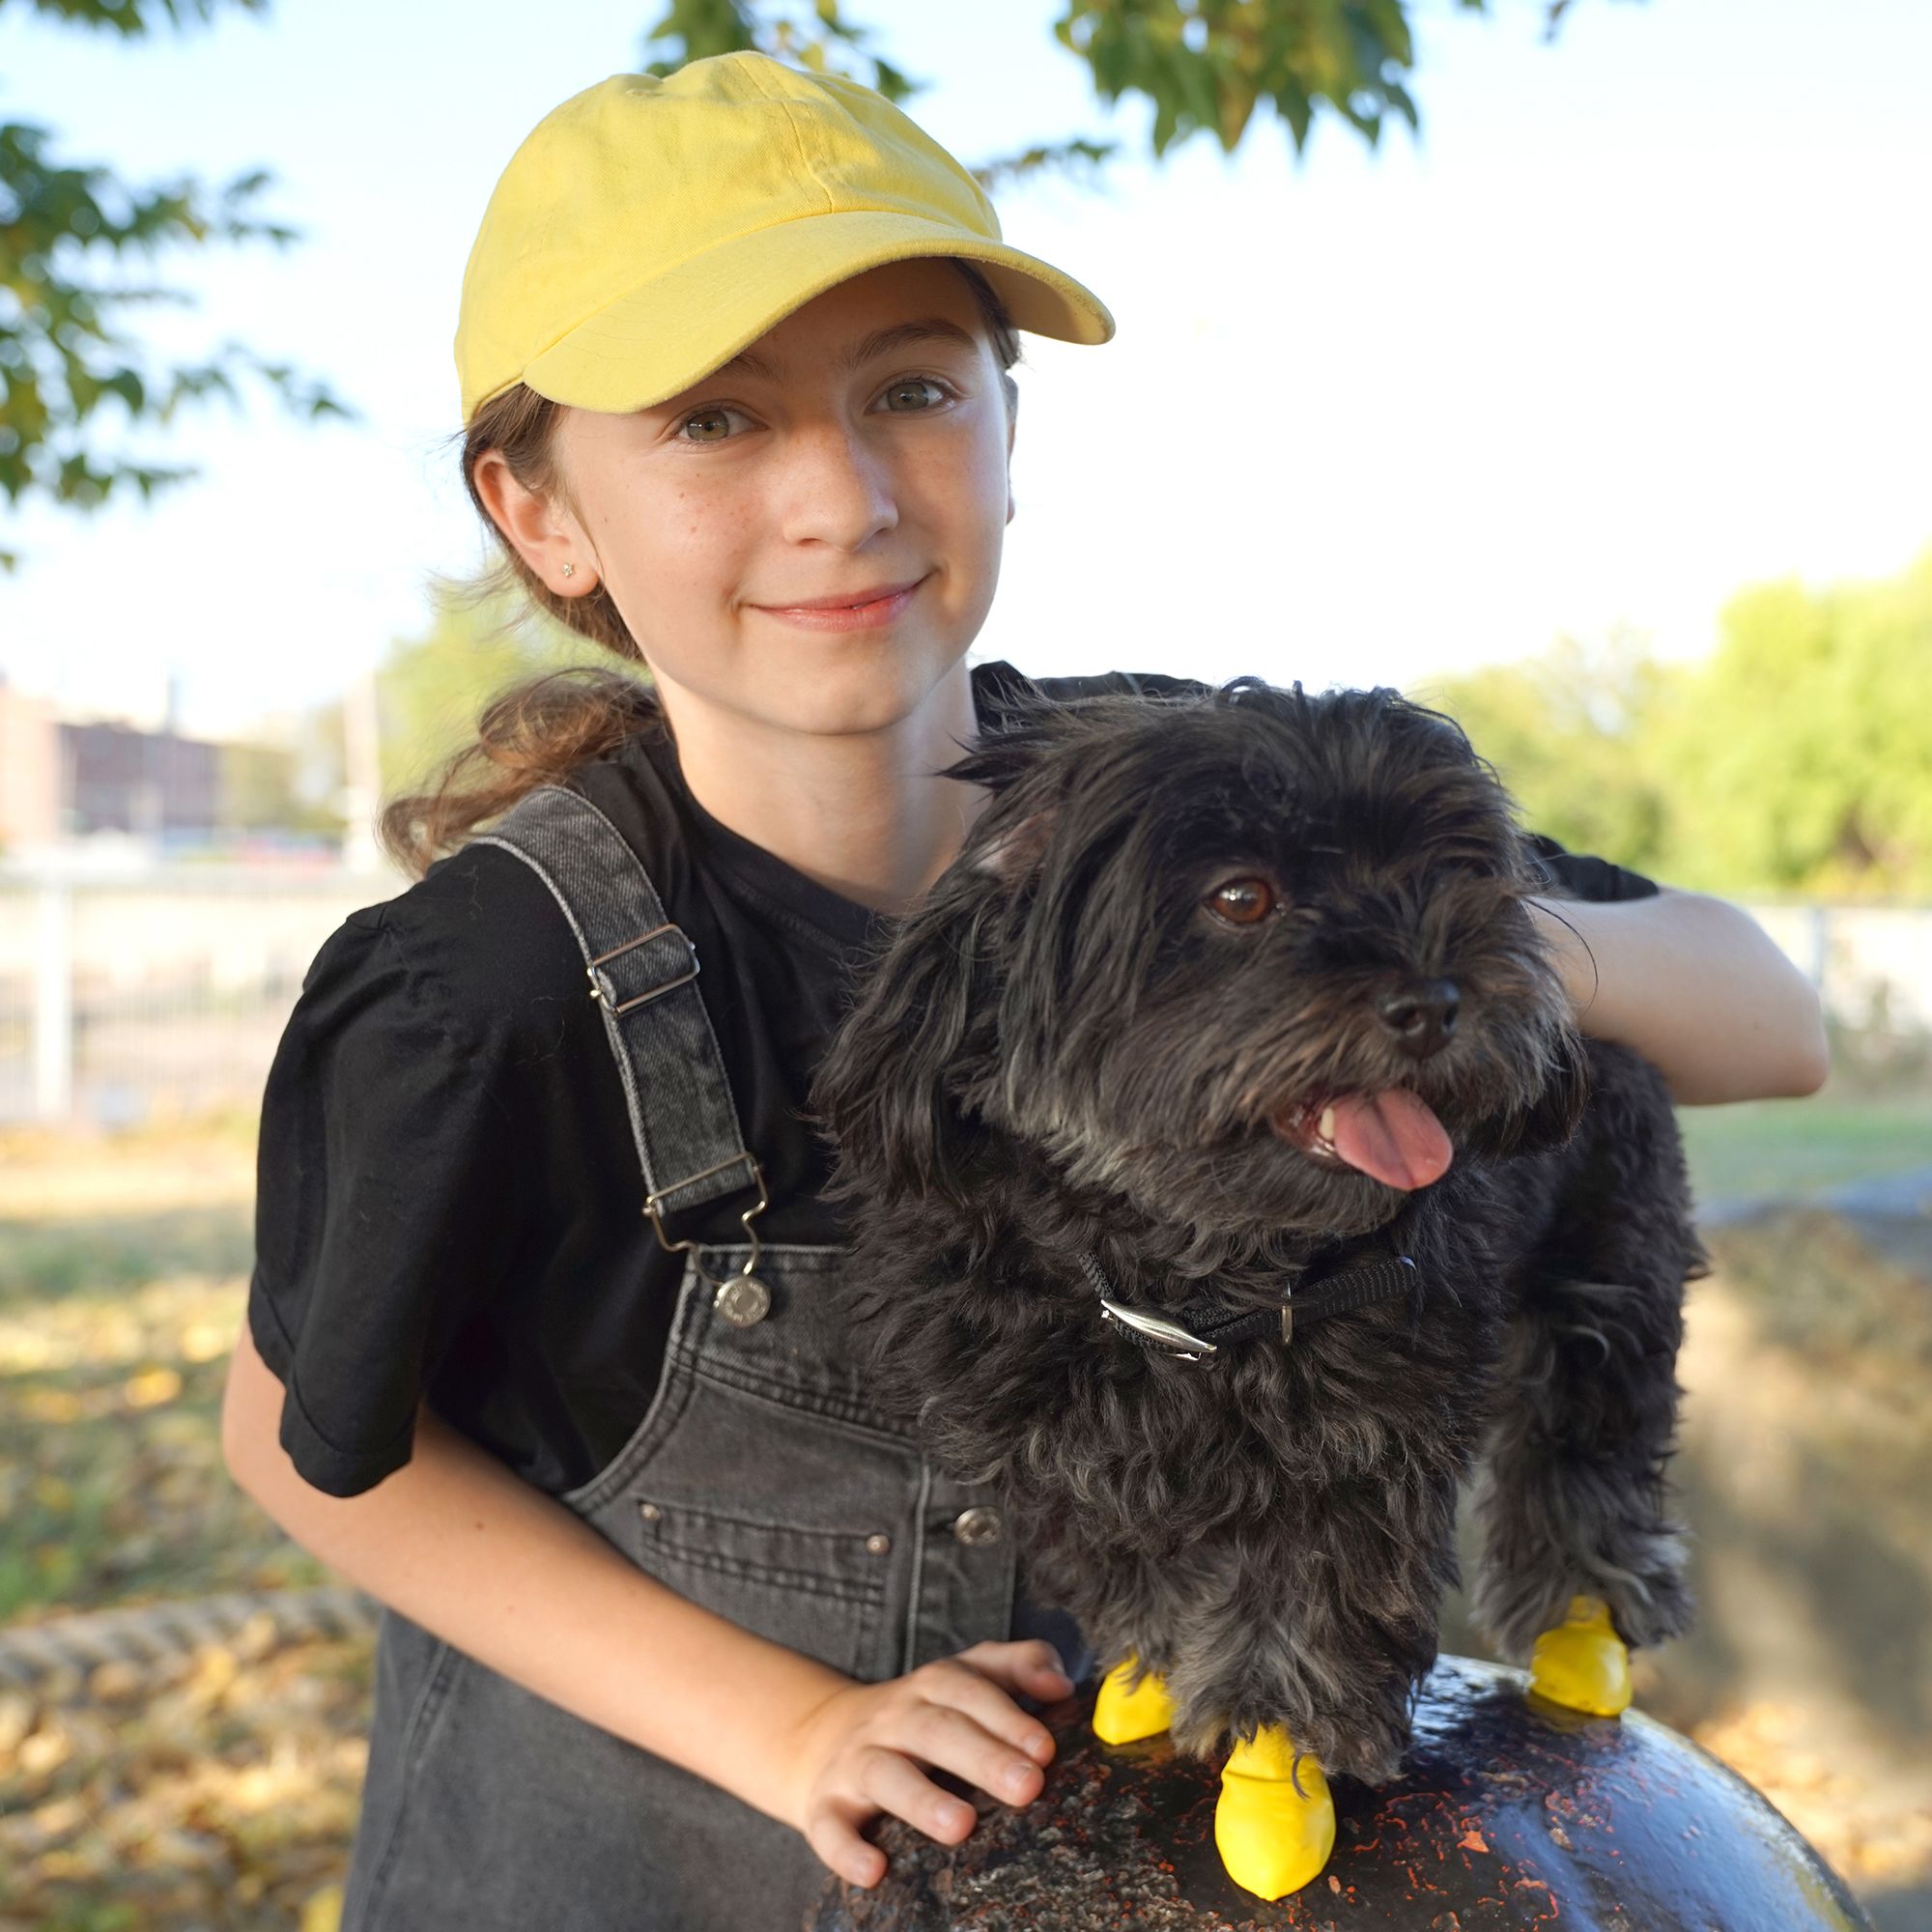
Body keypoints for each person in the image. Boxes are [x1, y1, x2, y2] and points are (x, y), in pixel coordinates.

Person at [219, 49, 1830, 1932]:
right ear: (541, 511)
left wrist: (1430, 973)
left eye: (909, 389)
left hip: (1107, 1861)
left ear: (1005, 427)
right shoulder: (487, 979)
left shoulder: (1191, 796)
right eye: (716, 422)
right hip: (632, 1860)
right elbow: (308, 1437)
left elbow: (1768, 1020)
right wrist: (789, 1724)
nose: (838, 493)